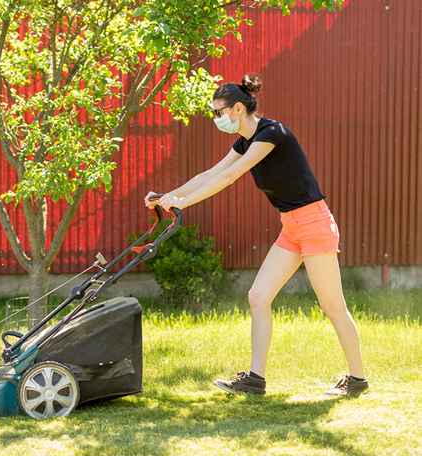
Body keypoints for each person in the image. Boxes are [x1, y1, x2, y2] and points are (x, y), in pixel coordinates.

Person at [145, 75, 368, 397]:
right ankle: (255, 378)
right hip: (292, 226)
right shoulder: (245, 141)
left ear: (238, 108)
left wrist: (183, 203)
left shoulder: (271, 134)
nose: (216, 119)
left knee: (332, 306)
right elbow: (211, 173)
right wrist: (168, 195)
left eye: (219, 112)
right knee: (258, 297)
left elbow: (232, 175)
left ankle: (358, 378)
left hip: (314, 224)